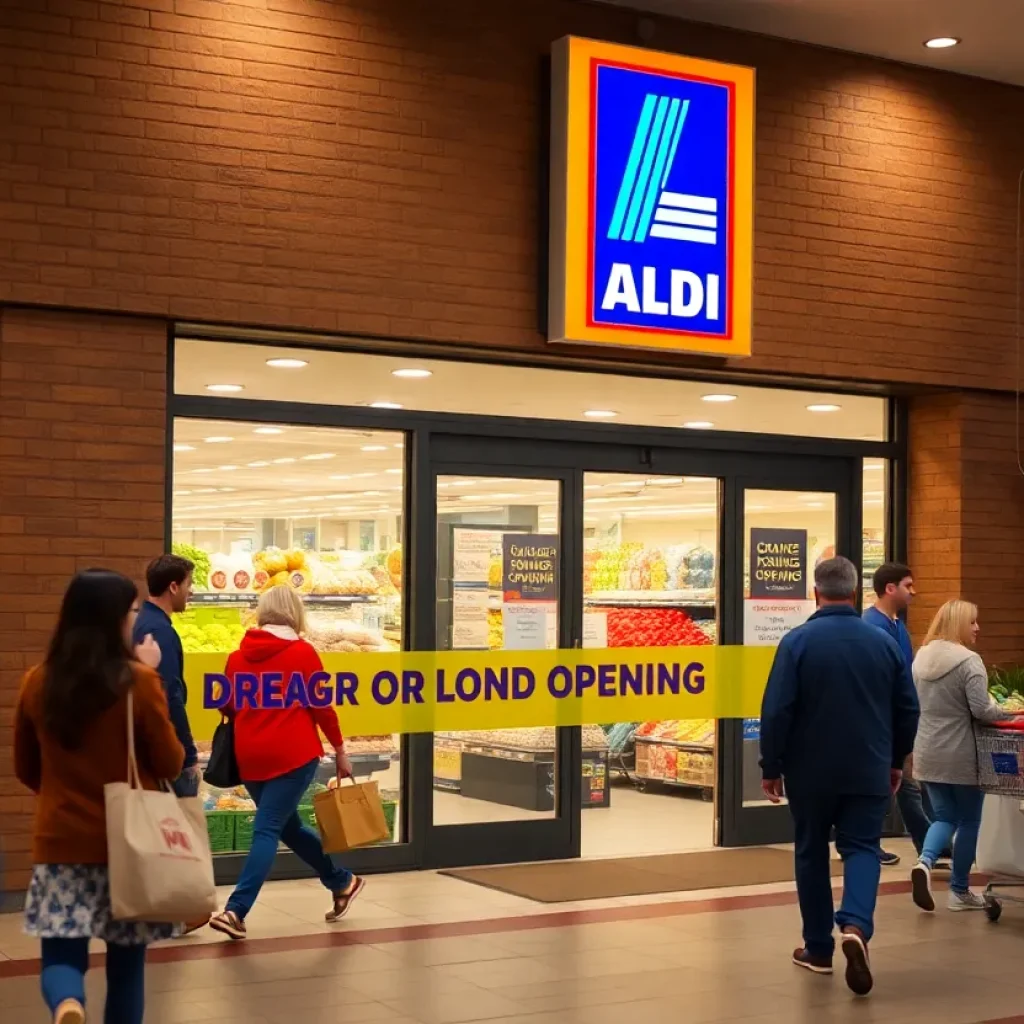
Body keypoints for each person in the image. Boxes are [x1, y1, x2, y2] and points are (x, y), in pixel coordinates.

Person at [14, 569, 185, 1024]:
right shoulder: (139, 684)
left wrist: (64, 798)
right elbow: (170, 762)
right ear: (113, 618)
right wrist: (149, 678)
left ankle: (69, 1005)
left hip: (61, 843)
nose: (135, 621)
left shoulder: (37, 681)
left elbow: (25, 769)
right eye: (131, 612)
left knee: (60, 957)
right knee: (127, 967)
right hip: (129, 848)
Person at [760, 556, 919, 997]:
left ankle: (818, 949)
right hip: (868, 765)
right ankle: (855, 926)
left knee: (811, 852)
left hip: (810, 771)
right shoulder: (883, 641)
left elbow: (777, 710)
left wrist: (770, 766)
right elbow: (908, 708)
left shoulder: (797, 642)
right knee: (863, 847)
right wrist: (895, 759)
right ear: (854, 592)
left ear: (816, 591)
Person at [208, 585, 364, 940]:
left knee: (268, 827)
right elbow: (322, 707)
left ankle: (236, 910)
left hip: (250, 759)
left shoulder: (236, 657)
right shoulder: (303, 654)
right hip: (293, 757)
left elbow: (227, 707)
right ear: (294, 613)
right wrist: (340, 749)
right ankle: (342, 881)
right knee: (282, 828)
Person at [910, 600, 1014, 912]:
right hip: (960, 753)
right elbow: (982, 710)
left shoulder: (921, 657)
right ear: (957, 625)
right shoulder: (969, 662)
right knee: (969, 819)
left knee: (944, 816)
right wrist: (1011, 712)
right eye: (972, 623)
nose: (977, 628)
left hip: (927, 749)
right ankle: (960, 891)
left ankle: (925, 862)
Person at [862, 562, 933, 866]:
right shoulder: (871, 627)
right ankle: (866, 841)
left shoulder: (897, 626)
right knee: (883, 783)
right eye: (908, 585)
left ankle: (928, 842)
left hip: (899, 719)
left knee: (906, 784)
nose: (913, 592)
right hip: (880, 721)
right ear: (890, 588)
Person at [133, 554, 196, 798]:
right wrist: (188, 755)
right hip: (164, 750)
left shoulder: (144, 621)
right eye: (188, 584)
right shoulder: (159, 631)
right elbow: (169, 694)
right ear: (173, 586)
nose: (190, 591)